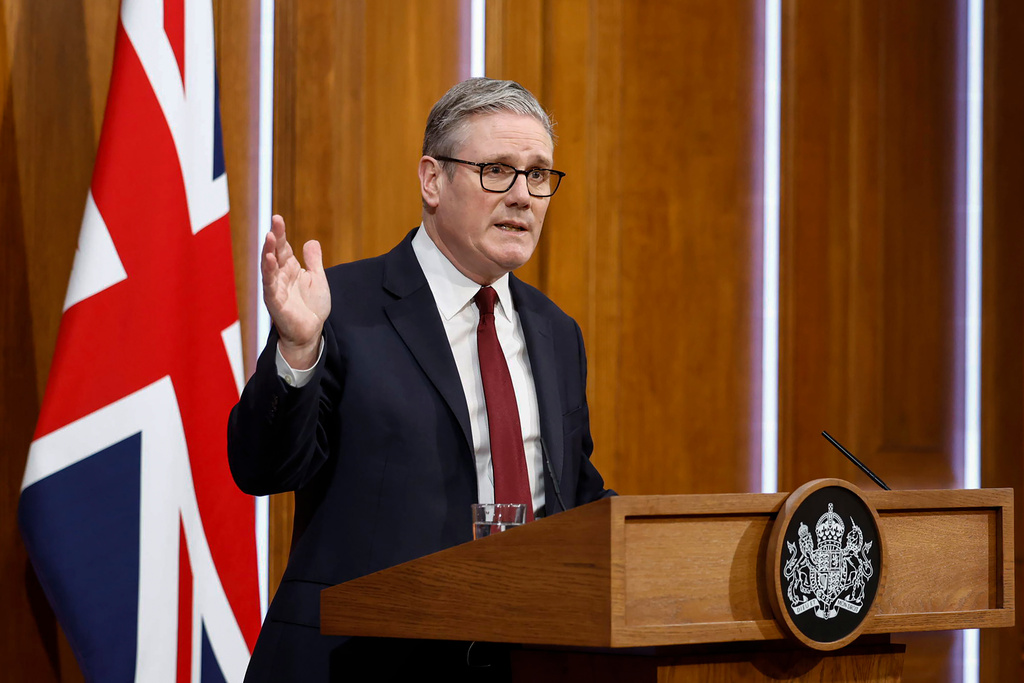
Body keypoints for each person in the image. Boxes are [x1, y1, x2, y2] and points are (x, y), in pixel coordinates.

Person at [228, 77, 613, 682]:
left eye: (538, 175)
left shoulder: (555, 331)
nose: (522, 196)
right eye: (497, 170)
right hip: (359, 663)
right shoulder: (343, 308)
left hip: (522, 659)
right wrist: (298, 349)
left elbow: (573, 498)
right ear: (433, 179)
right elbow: (261, 469)